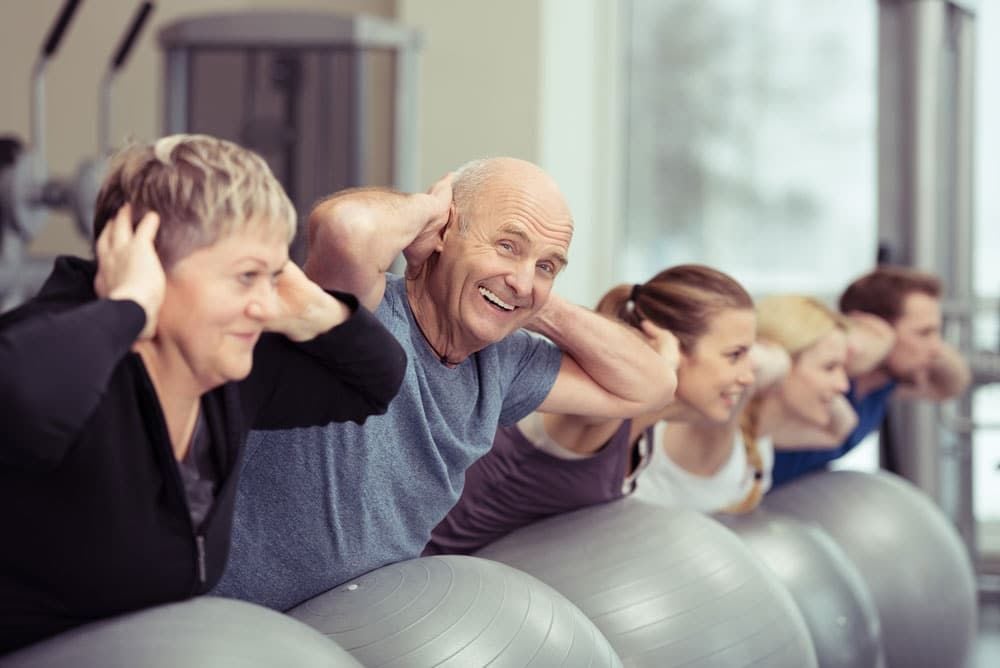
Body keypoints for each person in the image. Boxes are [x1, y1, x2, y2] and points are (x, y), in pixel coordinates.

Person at [0, 135, 407, 654]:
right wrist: (128, 307)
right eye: (245, 277)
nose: (264, 304)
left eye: (274, 274)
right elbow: (16, 392)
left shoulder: (228, 369)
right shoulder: (66, 358)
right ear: (147, 265)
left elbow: (377, 381)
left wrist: (313, 309)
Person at [214, 157, 678, 611]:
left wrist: (535, 299)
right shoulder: (363, 314)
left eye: (548, 265)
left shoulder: (506, 364)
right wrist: (428, 212)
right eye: (508, 245)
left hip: (355, 631)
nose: (523, 277)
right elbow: (346, 229)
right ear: (444, 234)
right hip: (235, 621)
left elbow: (651, 386)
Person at [426, 264, 759, 555]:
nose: (747, 377)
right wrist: (660, 367)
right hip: (423, 583)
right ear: (671, 345)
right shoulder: (598, 412)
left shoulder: (643, 431)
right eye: (734, 355)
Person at [635, 294, 858, 513]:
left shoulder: (759, 433)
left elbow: (841, 430)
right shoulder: (714, 423)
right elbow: (756, 364)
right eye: (830, 367)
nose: (843, 385)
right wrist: (778, 360)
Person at [770, 265, 972, 486]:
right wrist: (874, 337)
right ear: (869, 327)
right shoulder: (817, 377)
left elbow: (953, 384)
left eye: (936, 333)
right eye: (924, 333)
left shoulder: (885, 385)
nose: (935, 349)